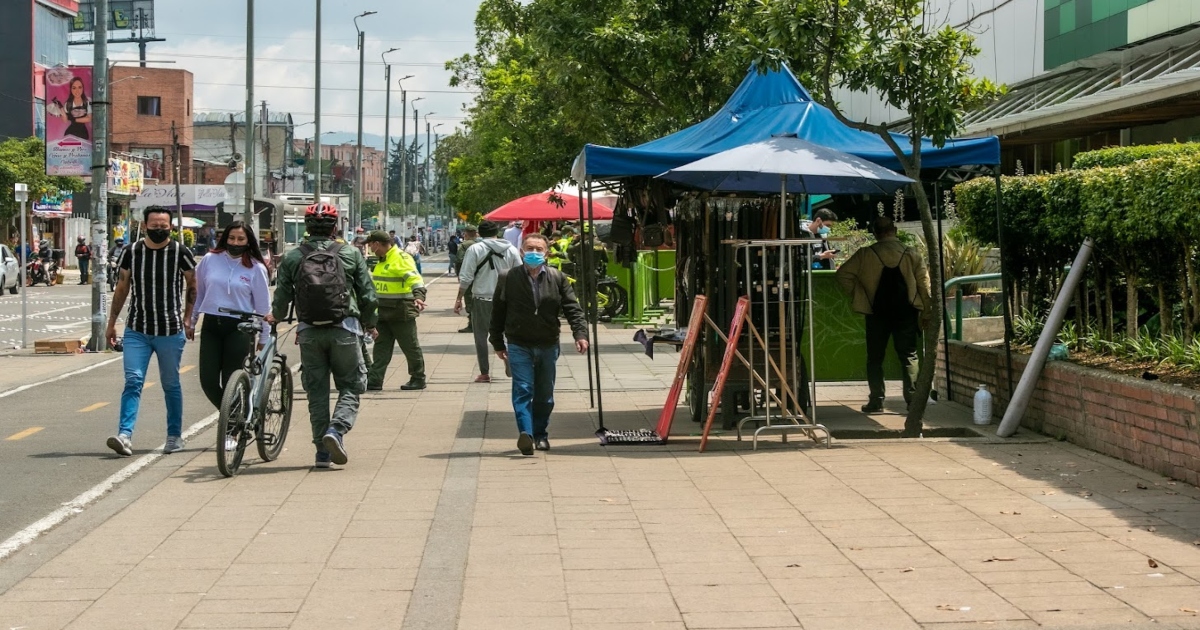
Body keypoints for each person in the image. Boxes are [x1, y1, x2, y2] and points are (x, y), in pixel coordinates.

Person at [268, 203, 378, 468]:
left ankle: (322, 453)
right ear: (335, 227)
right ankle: (336, 430)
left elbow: (282, 295)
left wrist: (277, 316)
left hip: (309, 332)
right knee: (351, 384)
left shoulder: (294, 257)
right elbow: (368, 294)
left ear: (307, 227)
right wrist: (370, 323)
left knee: (316, 391)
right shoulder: (350, 253)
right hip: (345, 329)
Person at [104, 206, 198, 457]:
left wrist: (189, 318)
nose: (159, 229)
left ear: (171, 227)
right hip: (137, 329)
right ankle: (124, 435)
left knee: (170, 383)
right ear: (144, 226)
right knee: (133, 380)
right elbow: (122, 287)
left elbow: (193, 283)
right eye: (154, 226)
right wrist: (112, 322)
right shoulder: (131, 252)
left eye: (163, 226)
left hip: (170, 330)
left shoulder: (180, 252)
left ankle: (174, 436)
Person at [490, 233, 589, 455]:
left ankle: (541, 433)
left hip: (547, 343)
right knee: (523, 389)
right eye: (529, 248)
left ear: (546, 253)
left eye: (539, 249)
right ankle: (526, 434)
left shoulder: (557, 277)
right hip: (519, 344)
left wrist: (580, 334)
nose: (534, 253)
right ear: (521, 252)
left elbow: (573, 309)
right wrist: (497, 342)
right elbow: (497, 312)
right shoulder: (508, 277)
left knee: (545, 394)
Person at [835, 216, 931, 413]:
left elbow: (842, 274)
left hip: (876, 312)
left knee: (875, 357)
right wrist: (927, 311)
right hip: (906, 312)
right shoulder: (911, 253)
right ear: (894, 230)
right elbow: (924, 284)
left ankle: (876, 400)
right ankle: (913, 400)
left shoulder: (865, 254)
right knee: (909, 355)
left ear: (875, 234)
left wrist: (859, 293)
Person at [190, 222, 271, 413]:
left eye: (241, 239)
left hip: (239, 328)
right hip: (211, 325)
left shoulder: (256, 268)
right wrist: (191, 321)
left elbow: (263, 306)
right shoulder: (210, 260)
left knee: (230, 382)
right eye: (232, 238)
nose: (235, 242)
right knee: (208, 381)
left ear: (248, 241)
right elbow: (198, 293)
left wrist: (264, 336)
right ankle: (235, 416)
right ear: (225, 238)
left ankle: (232, 428)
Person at [455, 221, 522, 383]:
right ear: (497, 232)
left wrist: (459, 298)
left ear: (479, 233)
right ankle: (509, 362)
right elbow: (520, 273)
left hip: (482, 299)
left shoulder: (474, 249)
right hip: (506, 299)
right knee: (507, 333)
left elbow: (466, 277)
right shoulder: (511, 249)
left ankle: (484, 372)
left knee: (480, 336)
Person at [364, 231, 427, 391]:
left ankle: (418, 378)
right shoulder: (381, 260)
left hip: (401, 312)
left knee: (410, 347)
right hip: (382, 313)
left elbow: (415, 279)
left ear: (377, 244)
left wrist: (419, 296)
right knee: (380, 349)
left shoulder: (401, 258)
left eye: (370, 244)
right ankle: (375, 380)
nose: (369, 248)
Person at [456, 225, 482, 334]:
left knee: (469, 299)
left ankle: (472, 325)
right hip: (481, 276)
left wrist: (459, 275)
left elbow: (459, 261)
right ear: (476, 233)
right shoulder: (482, 245)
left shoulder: (464, 246)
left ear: (465, 234)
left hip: (469, 276)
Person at [54, 76, 91, 141]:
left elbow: (89, 118)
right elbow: (65, 120)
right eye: (74, 88)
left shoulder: (87, 102)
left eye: (80, 87)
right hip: (70, 133)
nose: (77, 91)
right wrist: (60, 108)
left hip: (83, 133)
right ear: (71, 89)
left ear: (83, 88)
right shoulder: (68, 104)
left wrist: (74, 119)